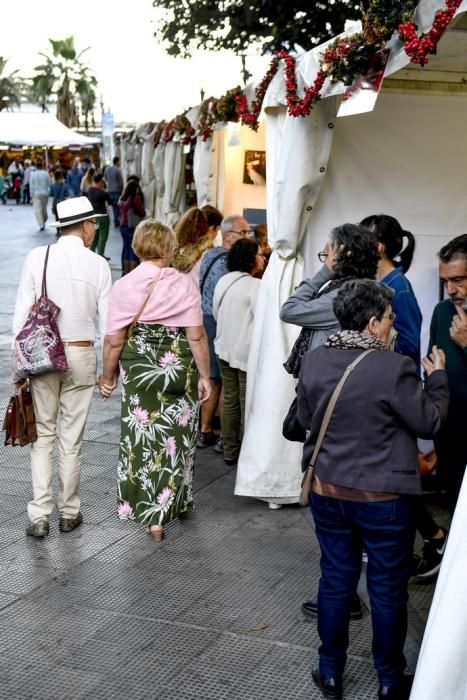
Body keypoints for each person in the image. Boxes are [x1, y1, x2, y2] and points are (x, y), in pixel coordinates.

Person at [297, 279, 449, 700]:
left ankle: (330, 672)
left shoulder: (315, 360)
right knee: (386, 588)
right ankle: (388, 678)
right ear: (372, 324)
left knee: (335, 580)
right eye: (389, 317)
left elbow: (306, 420)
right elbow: (429, 423)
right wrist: (437, 380)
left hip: (328, 492)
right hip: (384, 500)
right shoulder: (394, 367)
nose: (394, 324)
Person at [97, 219, 211, 542]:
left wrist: (107, 377)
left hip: (140, 371)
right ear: (168, 247)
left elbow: (114, 341)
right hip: (178, 368)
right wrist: (205, 376)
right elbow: (197, 336)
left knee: (143, 438)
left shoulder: (125, 286)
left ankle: (153, 520)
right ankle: (180, 500)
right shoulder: (185, 284)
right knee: (179, 436)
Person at [12, 197, 111, 538]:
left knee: (42, 437)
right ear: (84, 227)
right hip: (81, 354)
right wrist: (109, 371)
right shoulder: (98, 264)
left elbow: (22, 314)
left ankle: (39, 514)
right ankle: (70, 511)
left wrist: (19, 363)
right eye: (94, 224)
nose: (96, 229)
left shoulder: (37, 258)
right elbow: (108, 325)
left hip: (43, 356)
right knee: (72, 439)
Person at [361, 213, 447, 582]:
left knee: (396, 476)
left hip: (392, 391)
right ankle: (431, 536)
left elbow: (410, 343)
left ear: (377, 246)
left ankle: (433, 536)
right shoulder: (385, 282)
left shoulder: (400, 288)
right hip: (384, 388)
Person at [280, 223, 380, 378]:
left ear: (342, 255)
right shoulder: (361, 288)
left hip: (323, 381)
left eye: (327, 256)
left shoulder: (342, 296)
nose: (325, 261)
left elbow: (288, 311)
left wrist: (324, 272)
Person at [197, 214, 251, 450]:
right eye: (244, 233)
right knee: (217, 379)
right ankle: (207, 430)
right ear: (229, 236)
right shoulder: (228, 262)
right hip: (215, 321)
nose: (248, 237)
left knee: (211, 376)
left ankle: (207, 428)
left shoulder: (209, 254)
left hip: (201, 317)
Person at [212, 239, 264, 466]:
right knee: (246, 403)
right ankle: (248, 456)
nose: (263, 258)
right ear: (251, 259)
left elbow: (215, 312)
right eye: (260, 254)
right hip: (246, 354)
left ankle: (230, 450)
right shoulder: (257, 287)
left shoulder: (224, 280)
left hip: (223, 347)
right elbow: (262, 321)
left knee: (231, 401)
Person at [429, 234, 467, 516]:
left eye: (459, 280)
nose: (451, 289)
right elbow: (434, 365)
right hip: (449, 432)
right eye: (445, 281)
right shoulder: (442, 311)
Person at [172, 207, 213, 288]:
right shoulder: (207, 254)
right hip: (198, 298)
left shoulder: (177, 250)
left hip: (178, 298)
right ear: (205, 228)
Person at [119, 179, 146, 275]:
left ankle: (126, 272)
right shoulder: (135, 198)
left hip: (122, 227)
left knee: (126, 249)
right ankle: (132, 274)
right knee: (133, 251)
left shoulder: (122, 198)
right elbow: (142, 212)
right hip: (131, 227)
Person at [88, 173, 111, 258]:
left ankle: (92, 253)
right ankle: (100, 254)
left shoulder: (90, 190)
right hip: (103, 217)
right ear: (101, 182)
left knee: (95, 235)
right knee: (103, 236)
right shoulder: (103, 193)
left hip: (94, 217)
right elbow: (110, 202)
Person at [30, 160, 50, 231]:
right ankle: (44, 220)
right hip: (45, 193)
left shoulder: (33, 174)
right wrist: (48, 192)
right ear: (42, 166)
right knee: (44, 209)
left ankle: (41, 224)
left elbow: (31, 185)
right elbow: (49, 183)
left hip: (36, 194)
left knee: (38, 209)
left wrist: (31, 194)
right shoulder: (46, 173)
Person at [104, 156, 124, 227]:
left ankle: (115, 220)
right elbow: (121, 182)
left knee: (113, 207)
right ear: (117, 161)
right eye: (119, 161)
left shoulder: (107, 169)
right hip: (117, 190)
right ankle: (117, 221)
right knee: (118, 207)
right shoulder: (118, 170)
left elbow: (105, 178)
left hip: (109, 190)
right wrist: (122, 190)